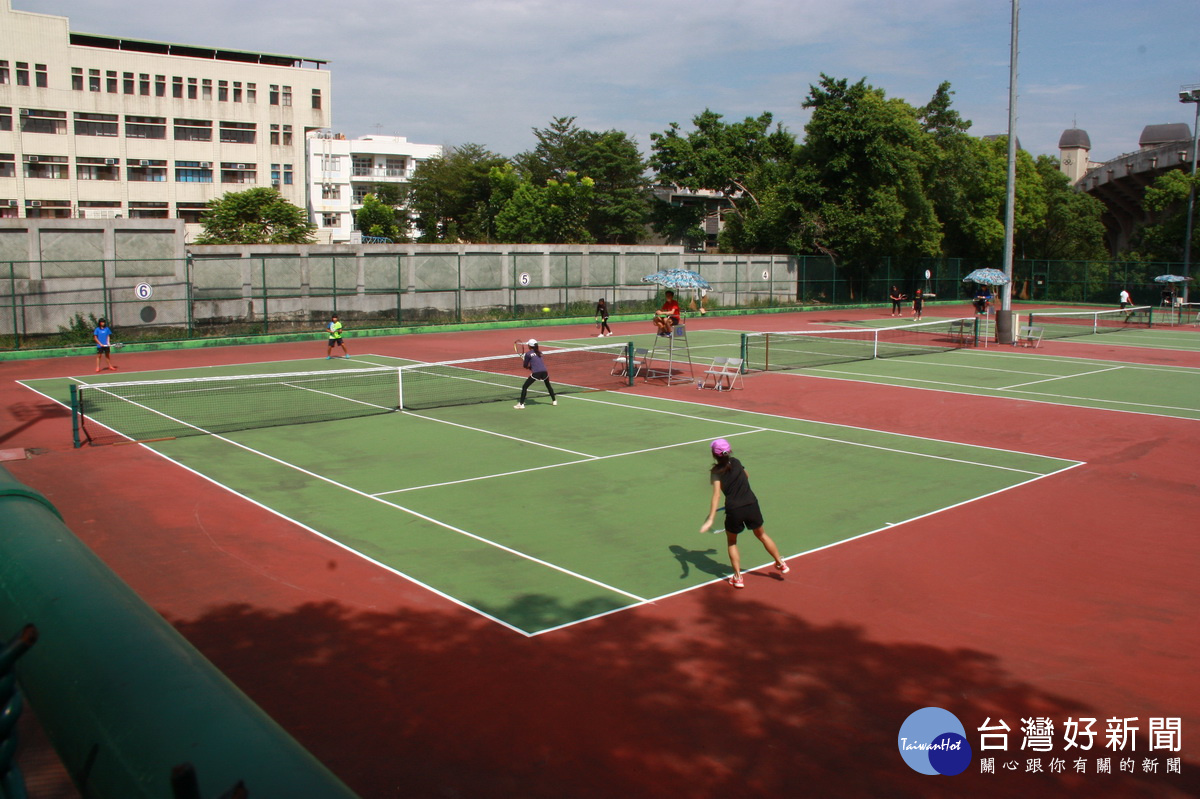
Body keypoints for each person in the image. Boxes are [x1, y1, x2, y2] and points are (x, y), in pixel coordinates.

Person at [699, 438, 788, 589]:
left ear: (714, 455)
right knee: (762, 535)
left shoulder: (715, 472)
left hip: (734, 509)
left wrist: (711, 518)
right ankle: (780, 563)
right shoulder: (736, 462)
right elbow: (746, 475)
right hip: (751, 504)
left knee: (732, 542)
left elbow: (716, 495)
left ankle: (738, 577)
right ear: (729, 452)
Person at [514, 339, 556, 409]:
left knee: (524, 387)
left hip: (537, 373)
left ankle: (521, 404)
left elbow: (525, 366)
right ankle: (554, 400)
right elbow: (537, 363)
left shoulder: (528, 354)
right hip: (544, 372)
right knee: (548, 386)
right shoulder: (540, 352)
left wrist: (526, 361)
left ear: (530, 346)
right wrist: (530, 366)